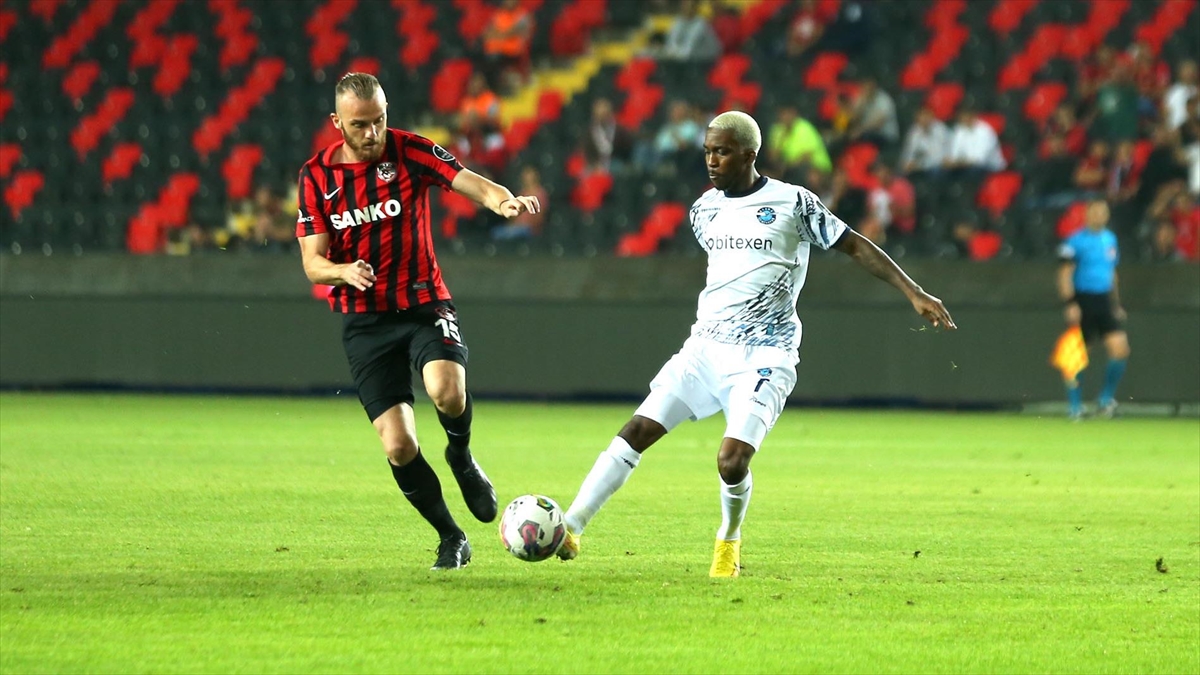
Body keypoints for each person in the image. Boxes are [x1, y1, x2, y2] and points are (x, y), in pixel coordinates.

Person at [554, 111, 956, 577]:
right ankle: (571, 527)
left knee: (731, 460)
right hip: (704, 348)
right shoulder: (703, 210)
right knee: (636, 431)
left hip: (766, 354)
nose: (711, 160)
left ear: (749, 154)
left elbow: (856, 246)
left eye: (721, 152)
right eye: (707, 151)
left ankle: (728, 541)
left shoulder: (793, 203)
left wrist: (913, 291)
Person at [294, 73, 541, 570]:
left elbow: (470, 181)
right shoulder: (316, 177)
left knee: (447, 391)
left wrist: (503, 201)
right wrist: (341, 271)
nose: (372, 133)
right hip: (364, 322)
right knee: (398, 444)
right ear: (337, 122)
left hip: (424, 302)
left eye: (379, 120)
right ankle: (451, 536)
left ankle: (462, 456)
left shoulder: (410, 151)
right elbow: (312, 262)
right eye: (359, 125)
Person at [1057, 200, 1130, 420]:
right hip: (1084, 300)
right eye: (1095, 212)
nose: (1099, 215)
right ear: (1086, 215)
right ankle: (1074, 407)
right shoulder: (1074, 242)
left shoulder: (1110, 239)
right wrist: (1070, 303)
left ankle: (1105, 399)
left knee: (1120, 349)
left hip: (1103, 300)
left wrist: (1115, 303)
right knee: (1079, 355)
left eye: (1103, 212)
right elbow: (1064, 274)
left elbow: (1112, 272)